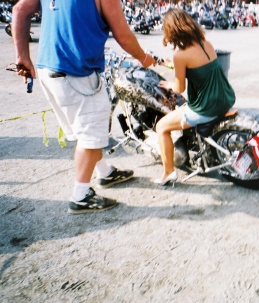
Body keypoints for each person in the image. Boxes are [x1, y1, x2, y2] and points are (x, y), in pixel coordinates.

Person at [12, 0, 156, 214]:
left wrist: (22, 57)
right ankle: (81, 195)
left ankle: (104, 172)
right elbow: (123, 35)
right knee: (90, 135)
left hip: (47, 70)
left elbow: (19, 9)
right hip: (75, 72)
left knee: (86, 129)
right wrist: (145, 59)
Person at [155, 8, 235, 186]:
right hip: (224, 97)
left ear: (172, 30)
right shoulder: (206, 43)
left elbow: (179, 87)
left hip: (206, 107)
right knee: (182, 109)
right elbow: (198, 69)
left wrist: (169, 84)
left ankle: (168, 172)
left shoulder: (180, 55)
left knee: (161, 127)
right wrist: (170, 65)